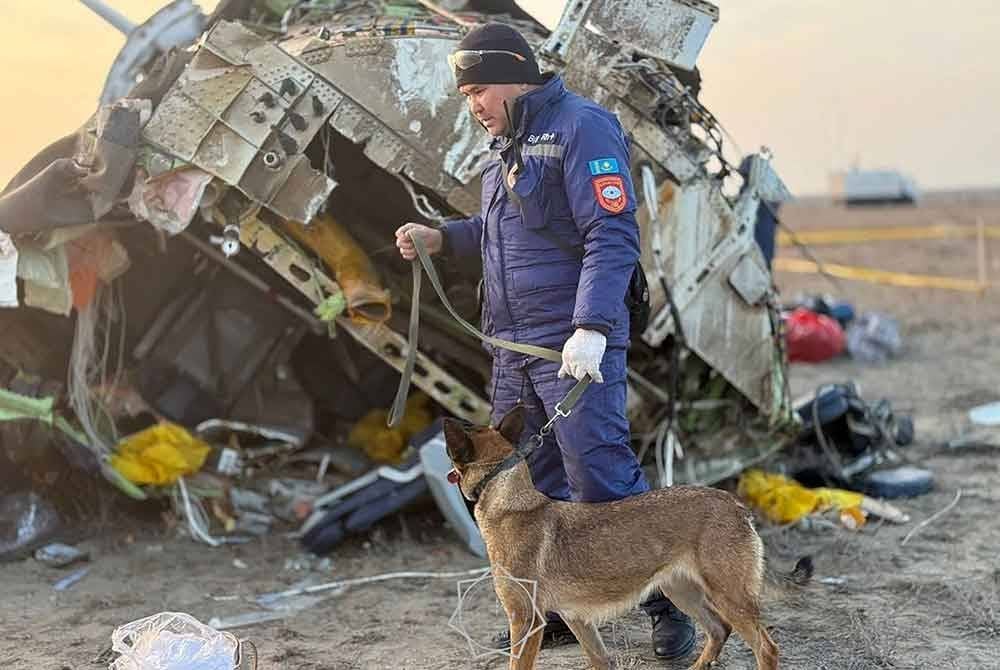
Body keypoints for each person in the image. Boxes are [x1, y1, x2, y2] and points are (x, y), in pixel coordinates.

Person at [394, 23, 695, 660]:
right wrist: (442, 238)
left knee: (601, 476)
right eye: (466, 94)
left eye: (478, 90)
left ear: (513, 75)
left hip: (570, 344)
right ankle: (549, 611)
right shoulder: (505, 146)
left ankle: (669, 609)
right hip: (514, 349)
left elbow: (611, 234)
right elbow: (501, 234)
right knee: (536, 481)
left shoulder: (582, 127)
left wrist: (590, 327)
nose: (473, 105)